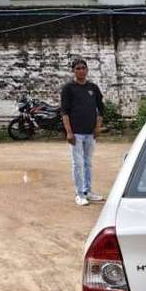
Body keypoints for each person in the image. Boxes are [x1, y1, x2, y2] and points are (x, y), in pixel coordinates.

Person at [60, 58, 105, 205]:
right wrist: (69, 132)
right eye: (78, 68)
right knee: (78, 164)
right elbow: (64, 112)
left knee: (88, 163)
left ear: (87, 70)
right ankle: (79, 194)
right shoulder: (68, 88)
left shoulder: (93, 88)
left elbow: (101, 109)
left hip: (90, 133)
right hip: (76, 133)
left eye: (83, 68)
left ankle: (88, 191)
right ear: (73, 71)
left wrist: (97, 127)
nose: (81, 71)